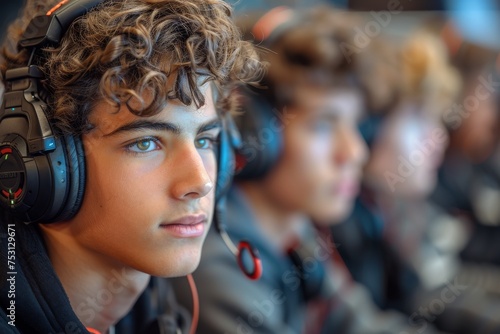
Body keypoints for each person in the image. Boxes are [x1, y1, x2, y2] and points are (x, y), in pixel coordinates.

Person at [171, 6, 437, 334]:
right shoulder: (216, 269)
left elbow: (366, 326)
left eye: (354, 124)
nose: (354, 152)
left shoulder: (297, 236)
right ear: (251, 133)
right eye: (323, 125)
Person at [0, 0, 261, 333]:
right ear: (47, 166)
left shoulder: (159, 311)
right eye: (145, 143)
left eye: (204, 140)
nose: (200, 182)